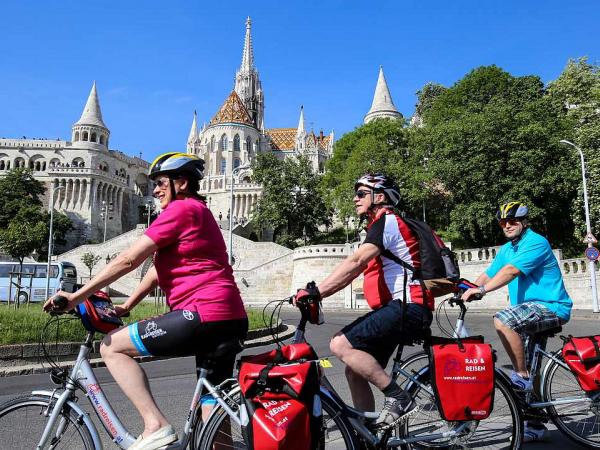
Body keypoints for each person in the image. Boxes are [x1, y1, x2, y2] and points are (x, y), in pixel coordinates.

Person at [44, 152, 248, 450]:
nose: (154, 189)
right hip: (228, 318)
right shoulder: (198, 213)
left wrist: (76, 297)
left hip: (203, 314)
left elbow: (129, 260)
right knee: (211, 404)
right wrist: (128, 305)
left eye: (161, 182)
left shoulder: (181, 211)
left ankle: (155, 425)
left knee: (111, 347)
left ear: (182, 182)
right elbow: (155, 270)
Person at [295, 173, 434, 429]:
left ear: (379, 197)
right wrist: (319, 291)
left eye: (361, 194)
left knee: (339, 344)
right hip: (399, 308)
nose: (355, 198)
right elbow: (355, 270)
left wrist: (317, 292)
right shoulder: (378, 225)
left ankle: (399, 398)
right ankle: (364, 433)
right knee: (354, 371)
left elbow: (355, 262)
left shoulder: (388, 222)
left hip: (407, 306)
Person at [461, 201, 572, 443]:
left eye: (512, 221)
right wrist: (464, 289)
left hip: (551, 307)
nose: (508, 225)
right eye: (503, 222)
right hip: (529, 311)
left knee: (503, 320)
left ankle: (520, 376)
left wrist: (482, 290)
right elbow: (489, 273)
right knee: (533, 367)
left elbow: (511, 271)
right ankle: (535, 424)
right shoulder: (507, 249)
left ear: (524, 222)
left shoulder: (535, 242)